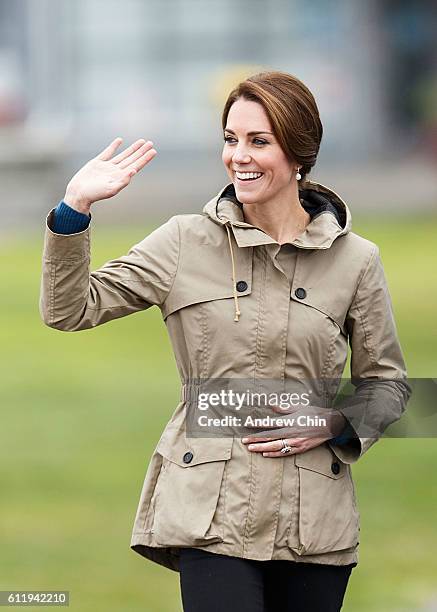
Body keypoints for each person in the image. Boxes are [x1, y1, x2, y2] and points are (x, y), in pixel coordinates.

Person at [39, 71, 411, 612]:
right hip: (208, 512)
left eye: (259, 141)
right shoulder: (183, 241)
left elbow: (388, 384)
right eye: (230, 139)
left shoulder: (357, 260)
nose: (239, 156)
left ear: (299, 154)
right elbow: (69, 309)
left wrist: (335, 421)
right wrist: (76, 207)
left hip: (315, 522)